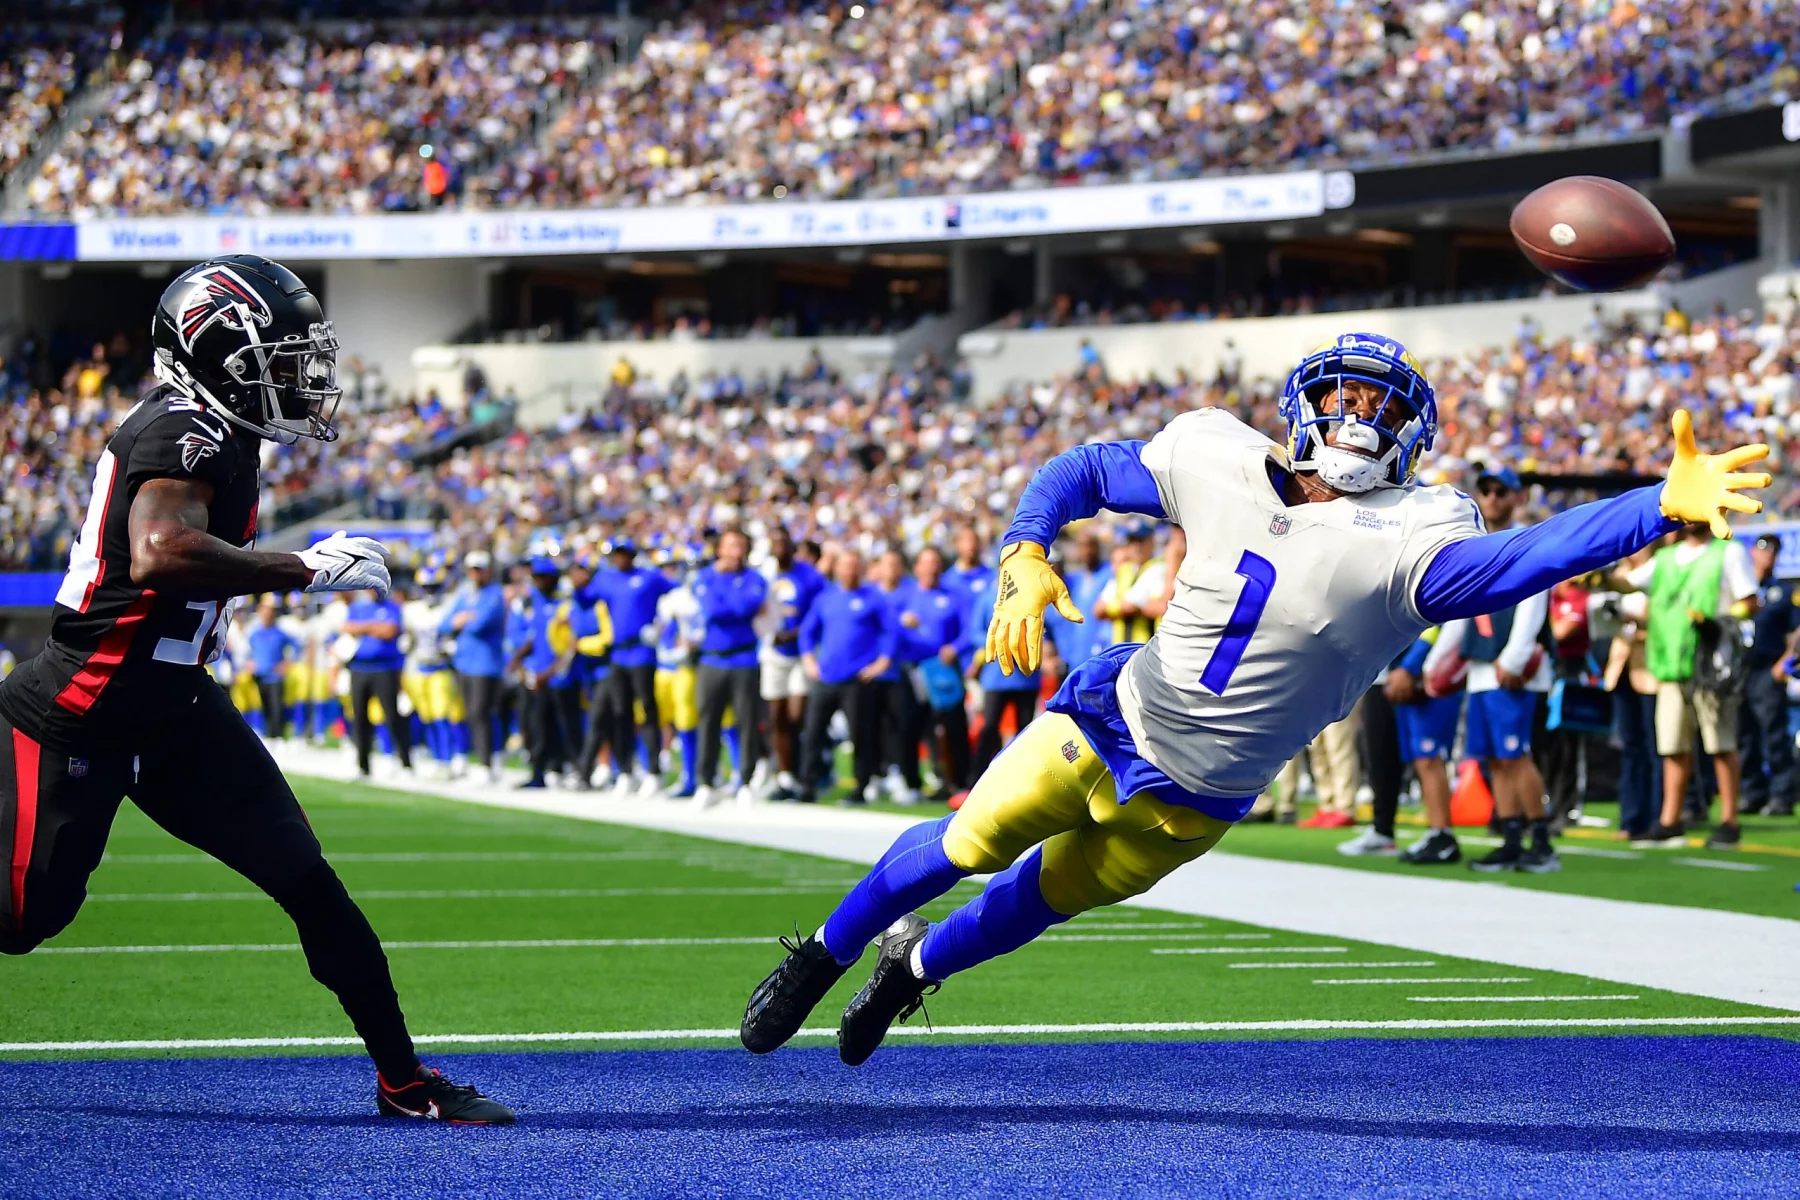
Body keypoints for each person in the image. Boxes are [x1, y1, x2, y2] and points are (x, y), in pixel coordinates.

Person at [739, 331, 1769, 1067]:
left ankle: (911, 971)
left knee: (1033, 906)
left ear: (1414, 433)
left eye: (1383, 406)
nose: (1360, 416)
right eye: (1347, 397)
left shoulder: (1414, 536)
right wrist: (1021, 548)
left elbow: (1529, 557)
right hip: (1113, 720)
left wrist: (1653, 506)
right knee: (969, 844)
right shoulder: (1218, 455)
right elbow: (1084, 469)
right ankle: (823, 957)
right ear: (1306, 405)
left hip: (1207, 794)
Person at [0, 255, 510, 1122]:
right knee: (22, 921)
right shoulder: (181, 431)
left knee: (310, 884)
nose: (302, 376)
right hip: (79, 713)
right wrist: (303, 569)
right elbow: (161, 551)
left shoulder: (223, 432)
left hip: (176, 713)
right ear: (217, 355)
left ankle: (403, 1080)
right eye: (280, 356)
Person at [1424, 465, 1557, 873]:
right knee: (1496, 759)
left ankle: (1542, 841)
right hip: (1481, 666)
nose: (1494, 498)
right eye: (1487, 491)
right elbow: (1460, 613)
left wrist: (1513, 658)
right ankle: (1512, 837)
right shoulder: (1476, 545)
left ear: (1516, 497)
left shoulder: (1526, 541)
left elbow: (1534, 602)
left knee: (1516, 755)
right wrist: (1436, 663)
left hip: (1509, 667)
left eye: (1502, 491)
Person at [1618, 520, 1760, 848]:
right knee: (1672, 746)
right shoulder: (1666, 558)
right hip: (1670, 664)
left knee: (1721, 743)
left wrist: (1721, 621)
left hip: (1712, 665)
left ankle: (1729, 820)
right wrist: (1600, 578)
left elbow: (1750, 600)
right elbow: (1630, 584)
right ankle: (1670, 819)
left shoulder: (1729, 551)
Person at [796, 549, 898, 805]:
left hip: (857, 679)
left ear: (861, 569)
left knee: (860, 735)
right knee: (814, 732)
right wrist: (808, 660)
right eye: (846, 566)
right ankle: (808, 785)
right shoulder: (826, 598)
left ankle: (860, 788)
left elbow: (892, 632)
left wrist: (881, 663)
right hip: (826, 676)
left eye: (855, 566)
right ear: (838, 569)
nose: (850, 571)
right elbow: (807, 633)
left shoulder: (873, 597)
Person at [691, 528, 768, 807]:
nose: (736, 551)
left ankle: (745, 780)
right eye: (731, 545)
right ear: (720, 549)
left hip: (744, 658)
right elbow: (712, 609)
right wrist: (734, 604)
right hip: (712, 658)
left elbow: (747, 606)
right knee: (708, 720)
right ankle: (706, 780)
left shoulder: (754, 578)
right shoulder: (705, 576)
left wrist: (731, 604)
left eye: (741, 546)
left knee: (746, 721)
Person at [591, 538, 673, 796]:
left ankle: (653, 770)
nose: (621, 558)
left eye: (626, 553)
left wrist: (660, 624)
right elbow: (585, 598)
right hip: (618, 654)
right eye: (618, 554)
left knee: (648, 711)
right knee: (620, 713)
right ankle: (625, 769)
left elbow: (677, 595)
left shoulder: (649, 578)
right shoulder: (607, 579)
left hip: (642, 652)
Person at [896, 546, 968, 802]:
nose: (931, 568)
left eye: (936, 563)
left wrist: (955, 648)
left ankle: (958, 782)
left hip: (944, 670)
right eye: (926, 563)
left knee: (954, 727)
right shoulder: (905, 595)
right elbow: (888, 627)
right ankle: (912, 783)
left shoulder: (953, 595)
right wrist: (901, 623)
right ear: (917, 568)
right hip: (914, 670)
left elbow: (968, 629)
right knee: (910, 726)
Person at [758, 528, 825, 801]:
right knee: (777, 717)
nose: (779, 548)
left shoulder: (809, 575)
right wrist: (768, 632)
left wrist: (796, 634)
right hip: (773, 652)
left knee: (798, 715)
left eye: (783, 543)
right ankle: (784, 774)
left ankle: (811, 767)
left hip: (801, 652)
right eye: (775, 543)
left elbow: (819, 611)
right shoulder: (762, 574)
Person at [1389, 630, 1465, 864]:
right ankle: (1436, 831)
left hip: (1433, 672)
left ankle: (1443, 834)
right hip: (1410, 669)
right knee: (1421, 759)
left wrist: (1411, 666)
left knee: (1430, 758)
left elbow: (1435, 624)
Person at [1739, 533, 1798, 817]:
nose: (1768, 554)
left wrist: (1785, 661)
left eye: (1773, 550)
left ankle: (1782, 796)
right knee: (1744, 735)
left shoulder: (1784, 592)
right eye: (1763, 548)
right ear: (1753, 552)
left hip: (1767, 668)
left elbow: (1797, 630)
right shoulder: (1740, 587)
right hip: (1739, 669)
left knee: (1774, 735)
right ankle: (1753, 793)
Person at [440, 550, 507, 785]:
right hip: (465, 662)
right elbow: (445, 622)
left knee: (481, 713)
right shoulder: (465, 594)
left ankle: (488, 763)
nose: (475, 574)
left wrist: (463, 620)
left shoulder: (495, 594)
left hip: (485, 664)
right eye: (472, 569)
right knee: (471, 714)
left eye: (479, 569)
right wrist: (462, 618)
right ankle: (479, 759)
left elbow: (481, 624)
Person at [344, 583, 414, 779]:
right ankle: (363, 765)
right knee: (359, 718)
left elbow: (390, 631)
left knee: (392, 716)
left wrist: (363, 628)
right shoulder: (357, 607)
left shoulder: (392, 607)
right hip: (359, 668)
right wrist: (374, 628)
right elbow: (348, 628)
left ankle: (405, 762)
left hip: (385, 668)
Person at [246, 593, 297, 740]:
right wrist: (249, 663)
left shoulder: (281, 632)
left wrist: (286, 664)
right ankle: (267, 735)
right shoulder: (254, 632)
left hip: (275, 676)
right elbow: (246, 652)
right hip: (259, 676)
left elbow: (296, 649)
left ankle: (278, 736)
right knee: (263, 707)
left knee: (277, 708)